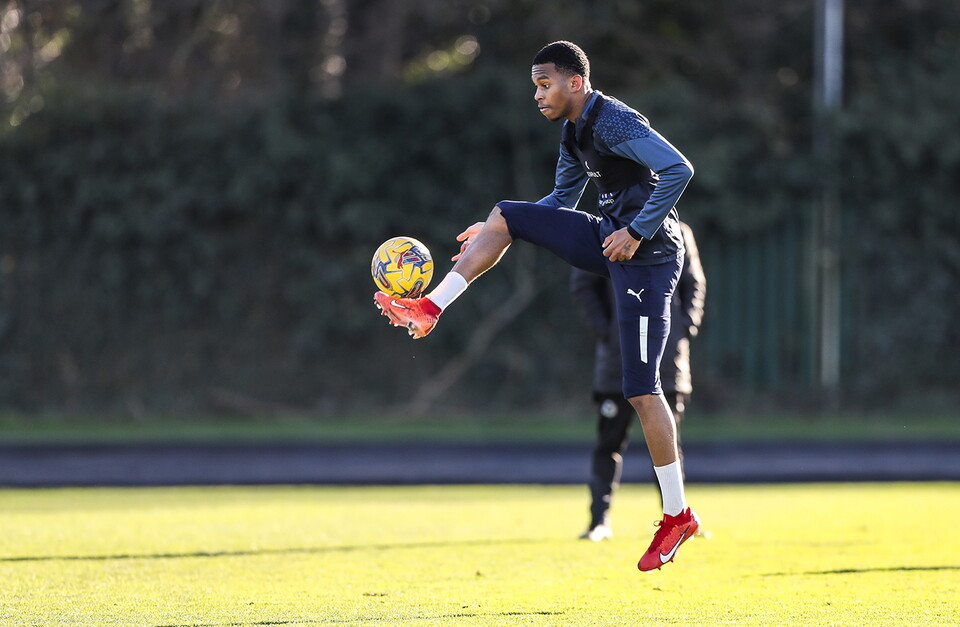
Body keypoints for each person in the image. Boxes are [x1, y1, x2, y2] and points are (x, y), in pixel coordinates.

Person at [375, 41, 699, 572]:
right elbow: (559, 205)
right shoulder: (572, 133)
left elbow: (679, 169)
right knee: (506, 212)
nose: (538, 94)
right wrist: (501, 228)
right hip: (611, 239)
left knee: (642, 391)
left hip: (650, 258)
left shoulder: (613, 120)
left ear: (576, 82)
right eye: (534, 85)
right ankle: (430, 307)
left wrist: (638, 233)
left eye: (545, 84)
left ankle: (677, 515)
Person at [571, 221, 706, 542]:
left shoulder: (680, 232)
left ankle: (679, 518)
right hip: (616, 366)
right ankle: (598, 522)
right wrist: (609, 333)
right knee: (609, 444)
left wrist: (683, 329)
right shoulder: (603, 230)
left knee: (669, 444)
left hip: (667, 365)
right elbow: (583, 286)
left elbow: (694, 285)